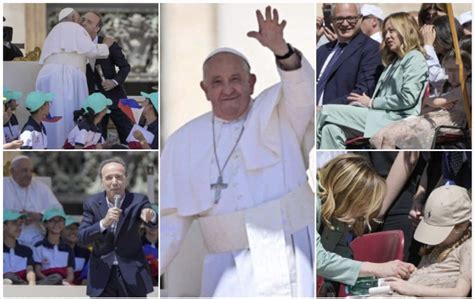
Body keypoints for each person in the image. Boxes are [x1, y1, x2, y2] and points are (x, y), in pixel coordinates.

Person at [161, 6, 314, 297]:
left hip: (292, 253)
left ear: (251, 82)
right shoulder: (183, 142)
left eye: (235, 79)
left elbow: (303, 89)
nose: (227, 89)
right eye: (217, 82)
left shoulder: (280, 111)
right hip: (226, 269)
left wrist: (280, 49)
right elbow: (171, 225)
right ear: (205, 89)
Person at [317, 12, 428, 149]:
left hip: (395, 119)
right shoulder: (393, 62)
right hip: (378, 115)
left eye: (392, 30)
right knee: (330, 129)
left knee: (323, 111)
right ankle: (329, 166)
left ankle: (306, 157)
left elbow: (407, 98)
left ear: (405, 30)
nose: (387, 36)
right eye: (385, 32)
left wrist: (371, 102)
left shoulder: (415, 58)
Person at [317, 154, 416, 289]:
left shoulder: (338, 211)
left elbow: (340, 252)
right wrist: (377, 269)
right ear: (349, 194)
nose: (365, 214)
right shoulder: (311, 202)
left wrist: (376, 279)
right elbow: (318, 259)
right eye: (363, 205)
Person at [78, 157, 157, 297]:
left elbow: (150, 218)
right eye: (109, 178)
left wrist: (150, 215)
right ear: (102, 182)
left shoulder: (138, 200)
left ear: (126, 179)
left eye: (119, 177)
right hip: (102, 274)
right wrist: (104, 223)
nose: (114, 182)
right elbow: (83, 238)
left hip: (132, 273)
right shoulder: (92, 203)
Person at [36, 7, 113, 149]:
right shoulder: (74, 28)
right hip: (67, 76)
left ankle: (52, 145)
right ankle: (68, 146)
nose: (81, 21)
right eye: (79, 18)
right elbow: (90, 50)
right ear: (72, 18)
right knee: (68, 114)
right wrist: (106, 45)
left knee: (52, 114)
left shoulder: (53, 32)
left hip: (48, 75)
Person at [370, 49, 471, 149]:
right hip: (433, 117)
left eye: (456, 70)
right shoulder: (447, 86)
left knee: (398, 132)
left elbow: (436, 102)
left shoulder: (466, 88)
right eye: (448, 70)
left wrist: (426, 100)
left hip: (448, 123)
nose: (452, 74)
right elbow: (433, 106)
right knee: (388, 130)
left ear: (468, 70)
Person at [384, 185, 471, 297]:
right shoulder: (439, 243)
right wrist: (412, 272)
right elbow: (429, 274)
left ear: (462, 226)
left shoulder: (468, 247)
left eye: (438, 231)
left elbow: (460, 293)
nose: (433, 236)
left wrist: (410, 289)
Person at [316, 3, 382, 105]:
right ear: (332, 20)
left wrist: (324, 110)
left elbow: (362, 92)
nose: (345, 24)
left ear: (360, 19)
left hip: (335, 116)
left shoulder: (371, 49)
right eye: (339, 19)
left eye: (350, 18)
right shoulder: (323, 50)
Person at [82, 11, 133, 144]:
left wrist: (114, 82)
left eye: (89, 22)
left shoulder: (109, 43)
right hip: (92, 103)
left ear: (97, 28)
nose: (84, 23)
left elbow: (125, 67)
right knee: (96, 138)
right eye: (83, 20)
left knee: (128, 135)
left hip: (115, 98)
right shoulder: (77, 46)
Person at [3, 155, 62, 247]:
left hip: (36, 239)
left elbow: (58, 211)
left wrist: (40, 216)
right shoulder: (3, 184)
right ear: (12, 171)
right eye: (24, 170)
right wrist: (14, 218)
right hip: (6, 239)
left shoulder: (40, 187)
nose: (29, 175)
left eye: (31, 171)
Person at [33, 208, 74, 285]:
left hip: (62, 284)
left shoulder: (68, 249)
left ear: (64, 224)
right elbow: (37, 272)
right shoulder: (38, 246)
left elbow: (70, 274)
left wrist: (65, 282)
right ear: (45, 224)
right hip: (44, 284)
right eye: (52, 220)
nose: (56, 224)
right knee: (56, 277)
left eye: (60, 221)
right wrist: (51, 283)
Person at [3, 210, 35, 285]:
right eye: (14, 223)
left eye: (20, 224)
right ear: (3, 226)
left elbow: (30, 272)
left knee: (56, 278)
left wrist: (32, 284)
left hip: (24, 288)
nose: (19, 227)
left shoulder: (26, 250)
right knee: (9, 276)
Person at [61, 215, 90, 285]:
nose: (73, 231)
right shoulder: (54, 249)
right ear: (60, 231)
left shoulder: (86, 253)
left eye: (76, 228)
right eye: (69, 228)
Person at [142, 204, 158, 286]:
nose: (153, 229)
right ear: (144, 224)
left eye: (156, 226)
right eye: (150, 225)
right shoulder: (137, 244)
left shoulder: (165, 242)